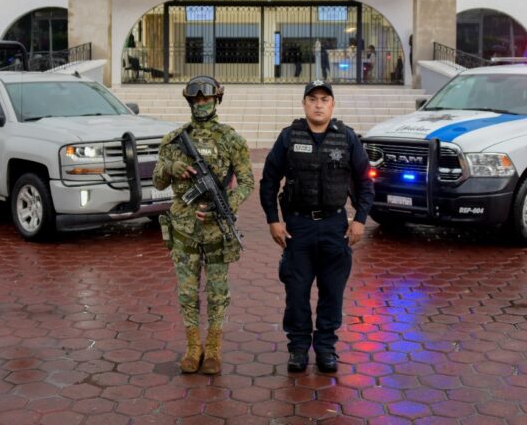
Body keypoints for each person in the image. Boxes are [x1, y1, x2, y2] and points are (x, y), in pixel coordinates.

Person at [259, 80, 374, 374]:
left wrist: (360, 219)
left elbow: (365, 181)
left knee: (332, 292)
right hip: (298, 227)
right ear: (304, 104)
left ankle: (325, 348)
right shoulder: (289, 136)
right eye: (312, 99)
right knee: (296, 292)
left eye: (324, 99)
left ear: (332, 105)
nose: (318, 104)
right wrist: (273, 219)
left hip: (335, 226)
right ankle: (298, 348)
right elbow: (269, 180)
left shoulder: (346, 138)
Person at [153, 76, 254, 375]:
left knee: (217, 293)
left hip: (216, 233)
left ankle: (213, 348)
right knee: (187, 293)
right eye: (196, 99)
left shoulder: (231, 140)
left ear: (216, 100)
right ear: (189, 101)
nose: (201, 103)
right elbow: (158, 181)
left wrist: (225, 206)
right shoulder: (174, 140)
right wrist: (172, 168)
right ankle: (192, 347)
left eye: (206, 99)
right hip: (183, 232)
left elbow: (247, 182)